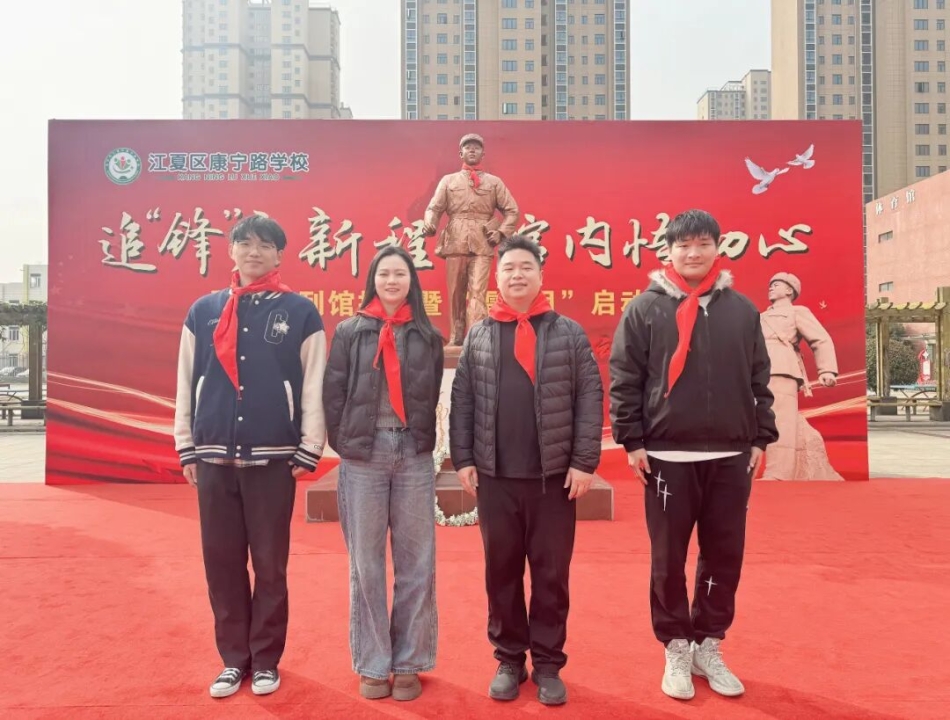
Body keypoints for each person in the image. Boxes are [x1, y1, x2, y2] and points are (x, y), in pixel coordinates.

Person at [609, 209, 778, 701]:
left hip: (730, 456)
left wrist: (760, 437)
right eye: (683, 245)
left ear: (717, 248)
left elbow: (759, 378)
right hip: (667, 457)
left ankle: (708, 643)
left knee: (724, 555)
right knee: (668, 558)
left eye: (703, 243)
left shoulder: (741, 311)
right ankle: (676, 646)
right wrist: (632, 440)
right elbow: (625, 379)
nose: (693, 253)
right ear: (669, 251)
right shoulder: (644, 309)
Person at [173, 216, 327, 698]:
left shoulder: (300, 312)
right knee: (221, 564)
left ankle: (265, 660)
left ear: (280, 254)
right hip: (213, 457)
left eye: (264, 244)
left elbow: (314, 382)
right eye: (244, 243)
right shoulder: (203, 311)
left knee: (270, 566)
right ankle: (232, 660)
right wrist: (186, 443)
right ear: (231, 251)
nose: (253, 251)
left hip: (273, 459)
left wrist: (310, 445)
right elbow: (185, 379)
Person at [449, 235, 603, 706]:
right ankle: (510, 659)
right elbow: (462, 400)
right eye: (509, 268)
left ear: (540, 275)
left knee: (551, 574)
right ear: (497, 277)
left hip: (552, 480)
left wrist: (583, 462)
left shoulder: (568, 333)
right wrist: (464, 458)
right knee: (501, 572)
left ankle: (549, 663)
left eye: (525, 267)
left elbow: (589, 397)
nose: (517, 275)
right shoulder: (479, 334)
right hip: (495, 478)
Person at [322, 246, 444, 701]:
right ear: (372, 280)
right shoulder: (350, 331)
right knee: (366, 564)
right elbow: (333, 392)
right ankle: (374, 664)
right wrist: (349, 444)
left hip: (412, 454)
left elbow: (432, 391)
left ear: (412, 281)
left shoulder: (427, 335)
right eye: (384, 274)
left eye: (400, 274)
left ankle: (409, 662)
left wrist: (417, 439)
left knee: (417, 563)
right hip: (364, 456)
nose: (392, 281)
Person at [423, 133, 520, 345]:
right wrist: (430, 223)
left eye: (477, 147)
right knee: (456, 293)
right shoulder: (448, 181)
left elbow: (512, 211)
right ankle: (456, 337)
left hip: (483, 242)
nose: (472, 150)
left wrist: (501, 232)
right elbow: (434, 208)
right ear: (461, 153)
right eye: (468, 147)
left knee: (478, 291)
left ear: (483, 154)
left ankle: (476, 339)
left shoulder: (494, 183)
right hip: (455, 240)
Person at [760, 272, 842, 480]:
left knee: (780, 420)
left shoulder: (797, 312)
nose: (771, 287)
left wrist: (826, 369)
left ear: (789, 290)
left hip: (782, 366)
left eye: (776, 284)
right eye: (770, 284)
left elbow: (820, 339)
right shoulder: (761, 316)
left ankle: (779, 472)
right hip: (756, 369)